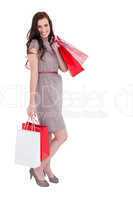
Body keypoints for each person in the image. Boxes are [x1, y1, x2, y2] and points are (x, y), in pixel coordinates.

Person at [26, 11, 68, 187]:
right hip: (44, 93)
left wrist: (57, 49)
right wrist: (32, 101)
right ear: (35, 28)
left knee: (49, 135)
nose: (43, 29)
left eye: (46, 25)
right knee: (62, 135)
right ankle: (38, 168)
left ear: (50, 25)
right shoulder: (34, 44)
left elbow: (64, 69)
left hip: (56, 92)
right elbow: (34, 73)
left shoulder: (51, 43)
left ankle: (47, 169)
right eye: (40, 26)